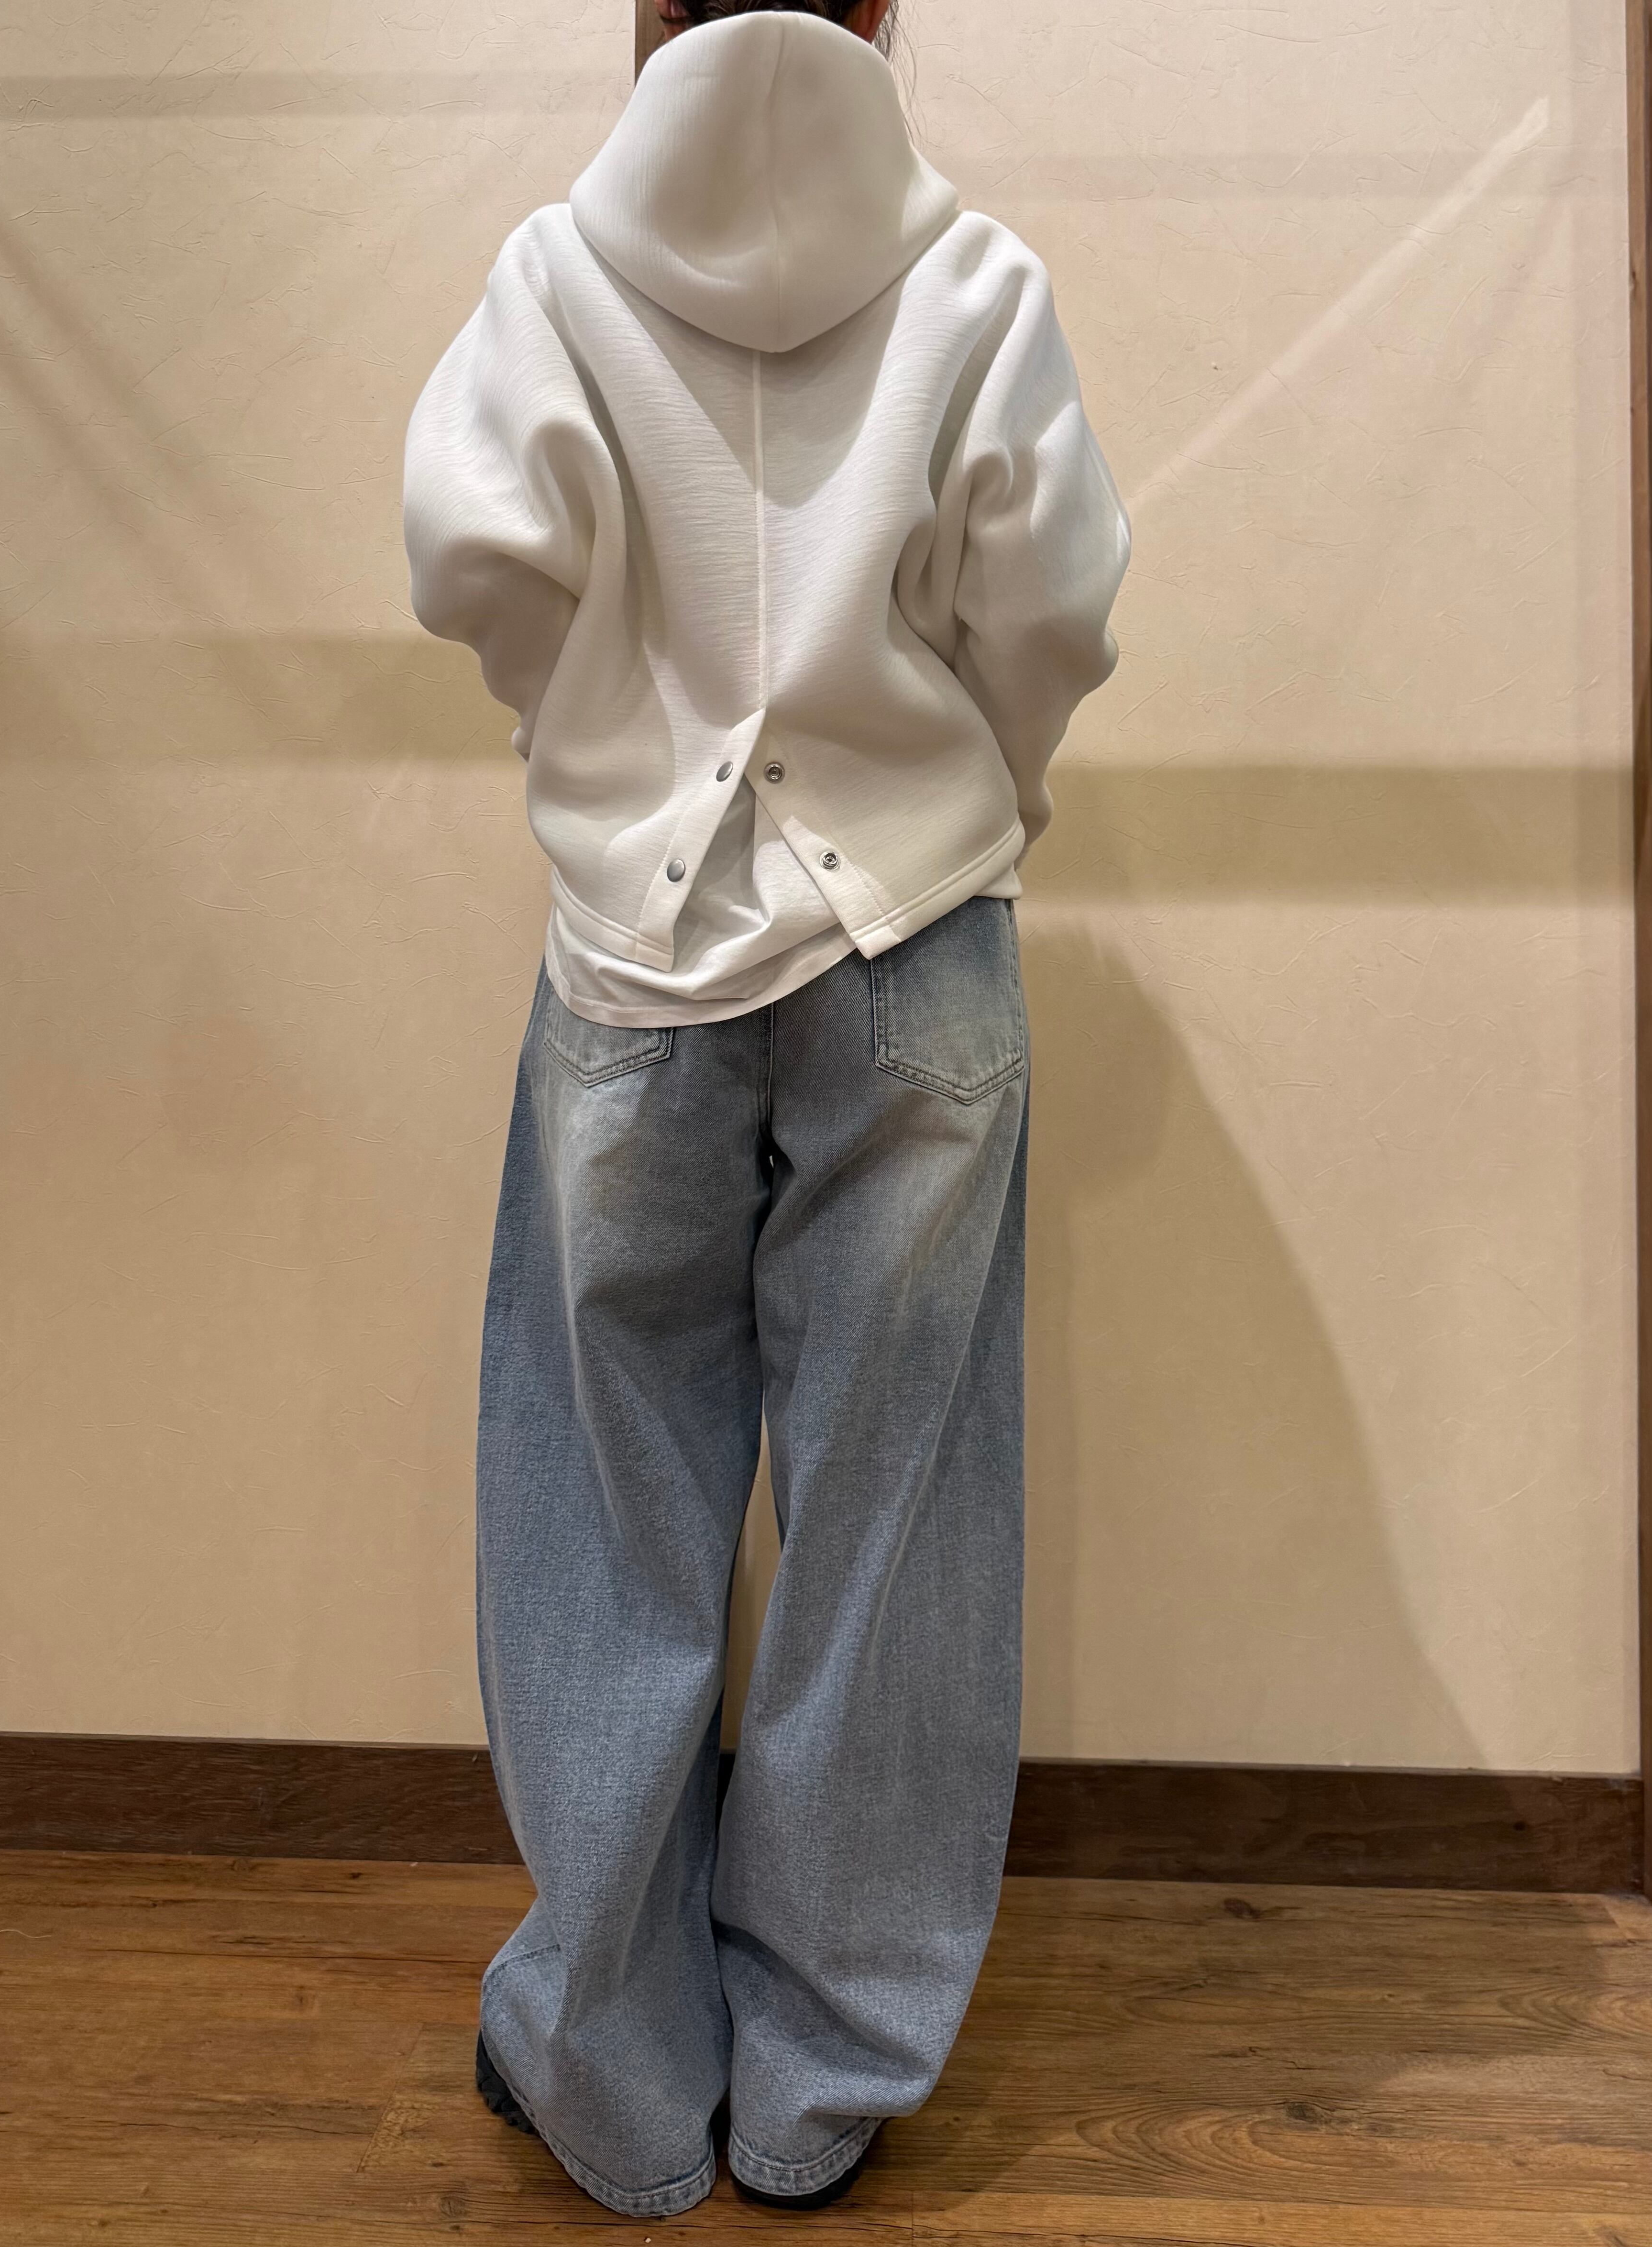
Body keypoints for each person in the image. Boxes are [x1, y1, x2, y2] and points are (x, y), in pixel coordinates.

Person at [401, 0, 1129, 2218]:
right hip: (917, 939)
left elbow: (469, 562)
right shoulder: (972, 279)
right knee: (894, 1510)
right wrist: (967, 794)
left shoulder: (553, 274)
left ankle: (617, 2086)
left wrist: (611, 763)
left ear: (643, 13)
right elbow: (1055, 604)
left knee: (599, 1495)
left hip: (633, 962)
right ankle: (818, 2082)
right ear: (881, 11)